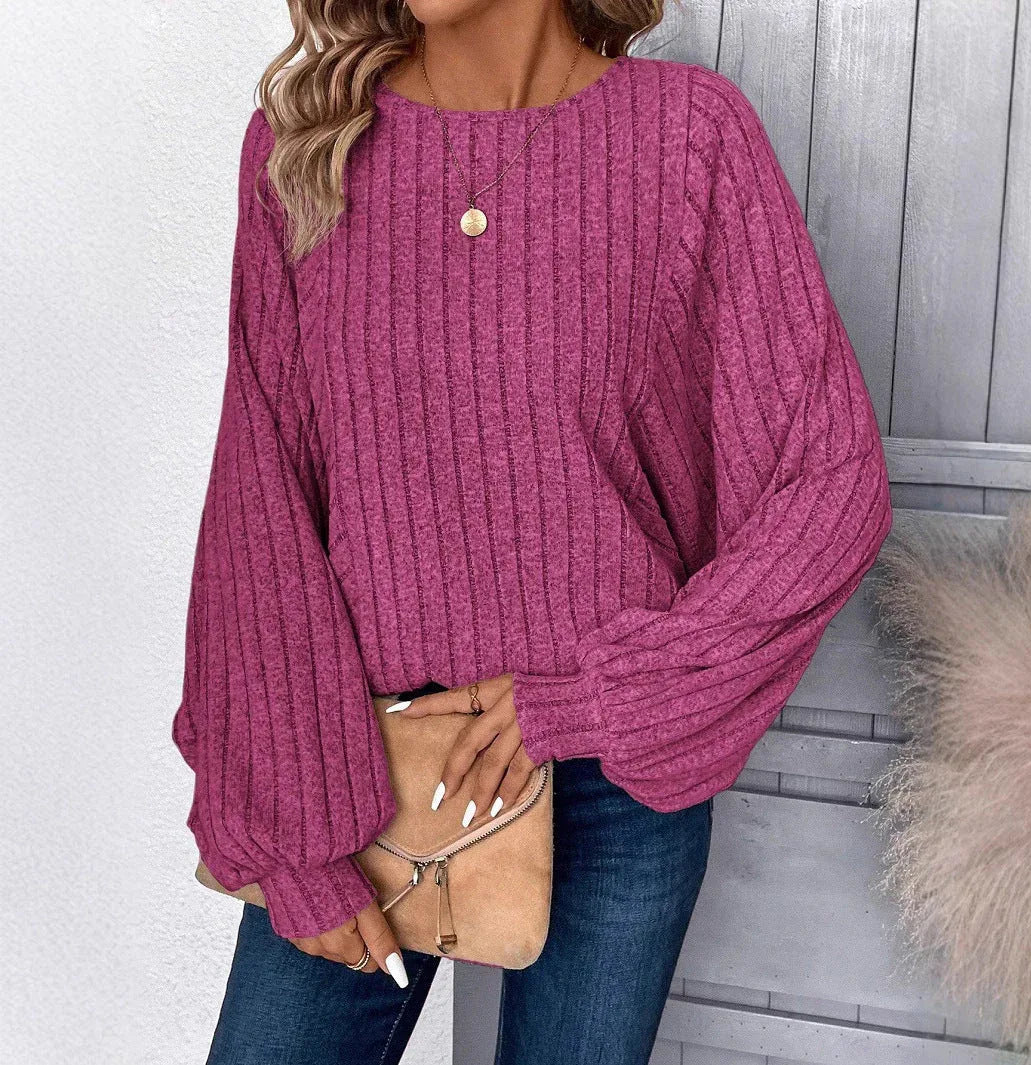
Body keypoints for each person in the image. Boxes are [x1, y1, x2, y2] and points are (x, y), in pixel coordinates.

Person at [171, 0, 893, 1060]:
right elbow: (259, 499)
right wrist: (291, 837)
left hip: (610, 781)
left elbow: (827, 483)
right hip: (356, 770)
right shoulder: (307, 148)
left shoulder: (689, 138)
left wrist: (602, 696)